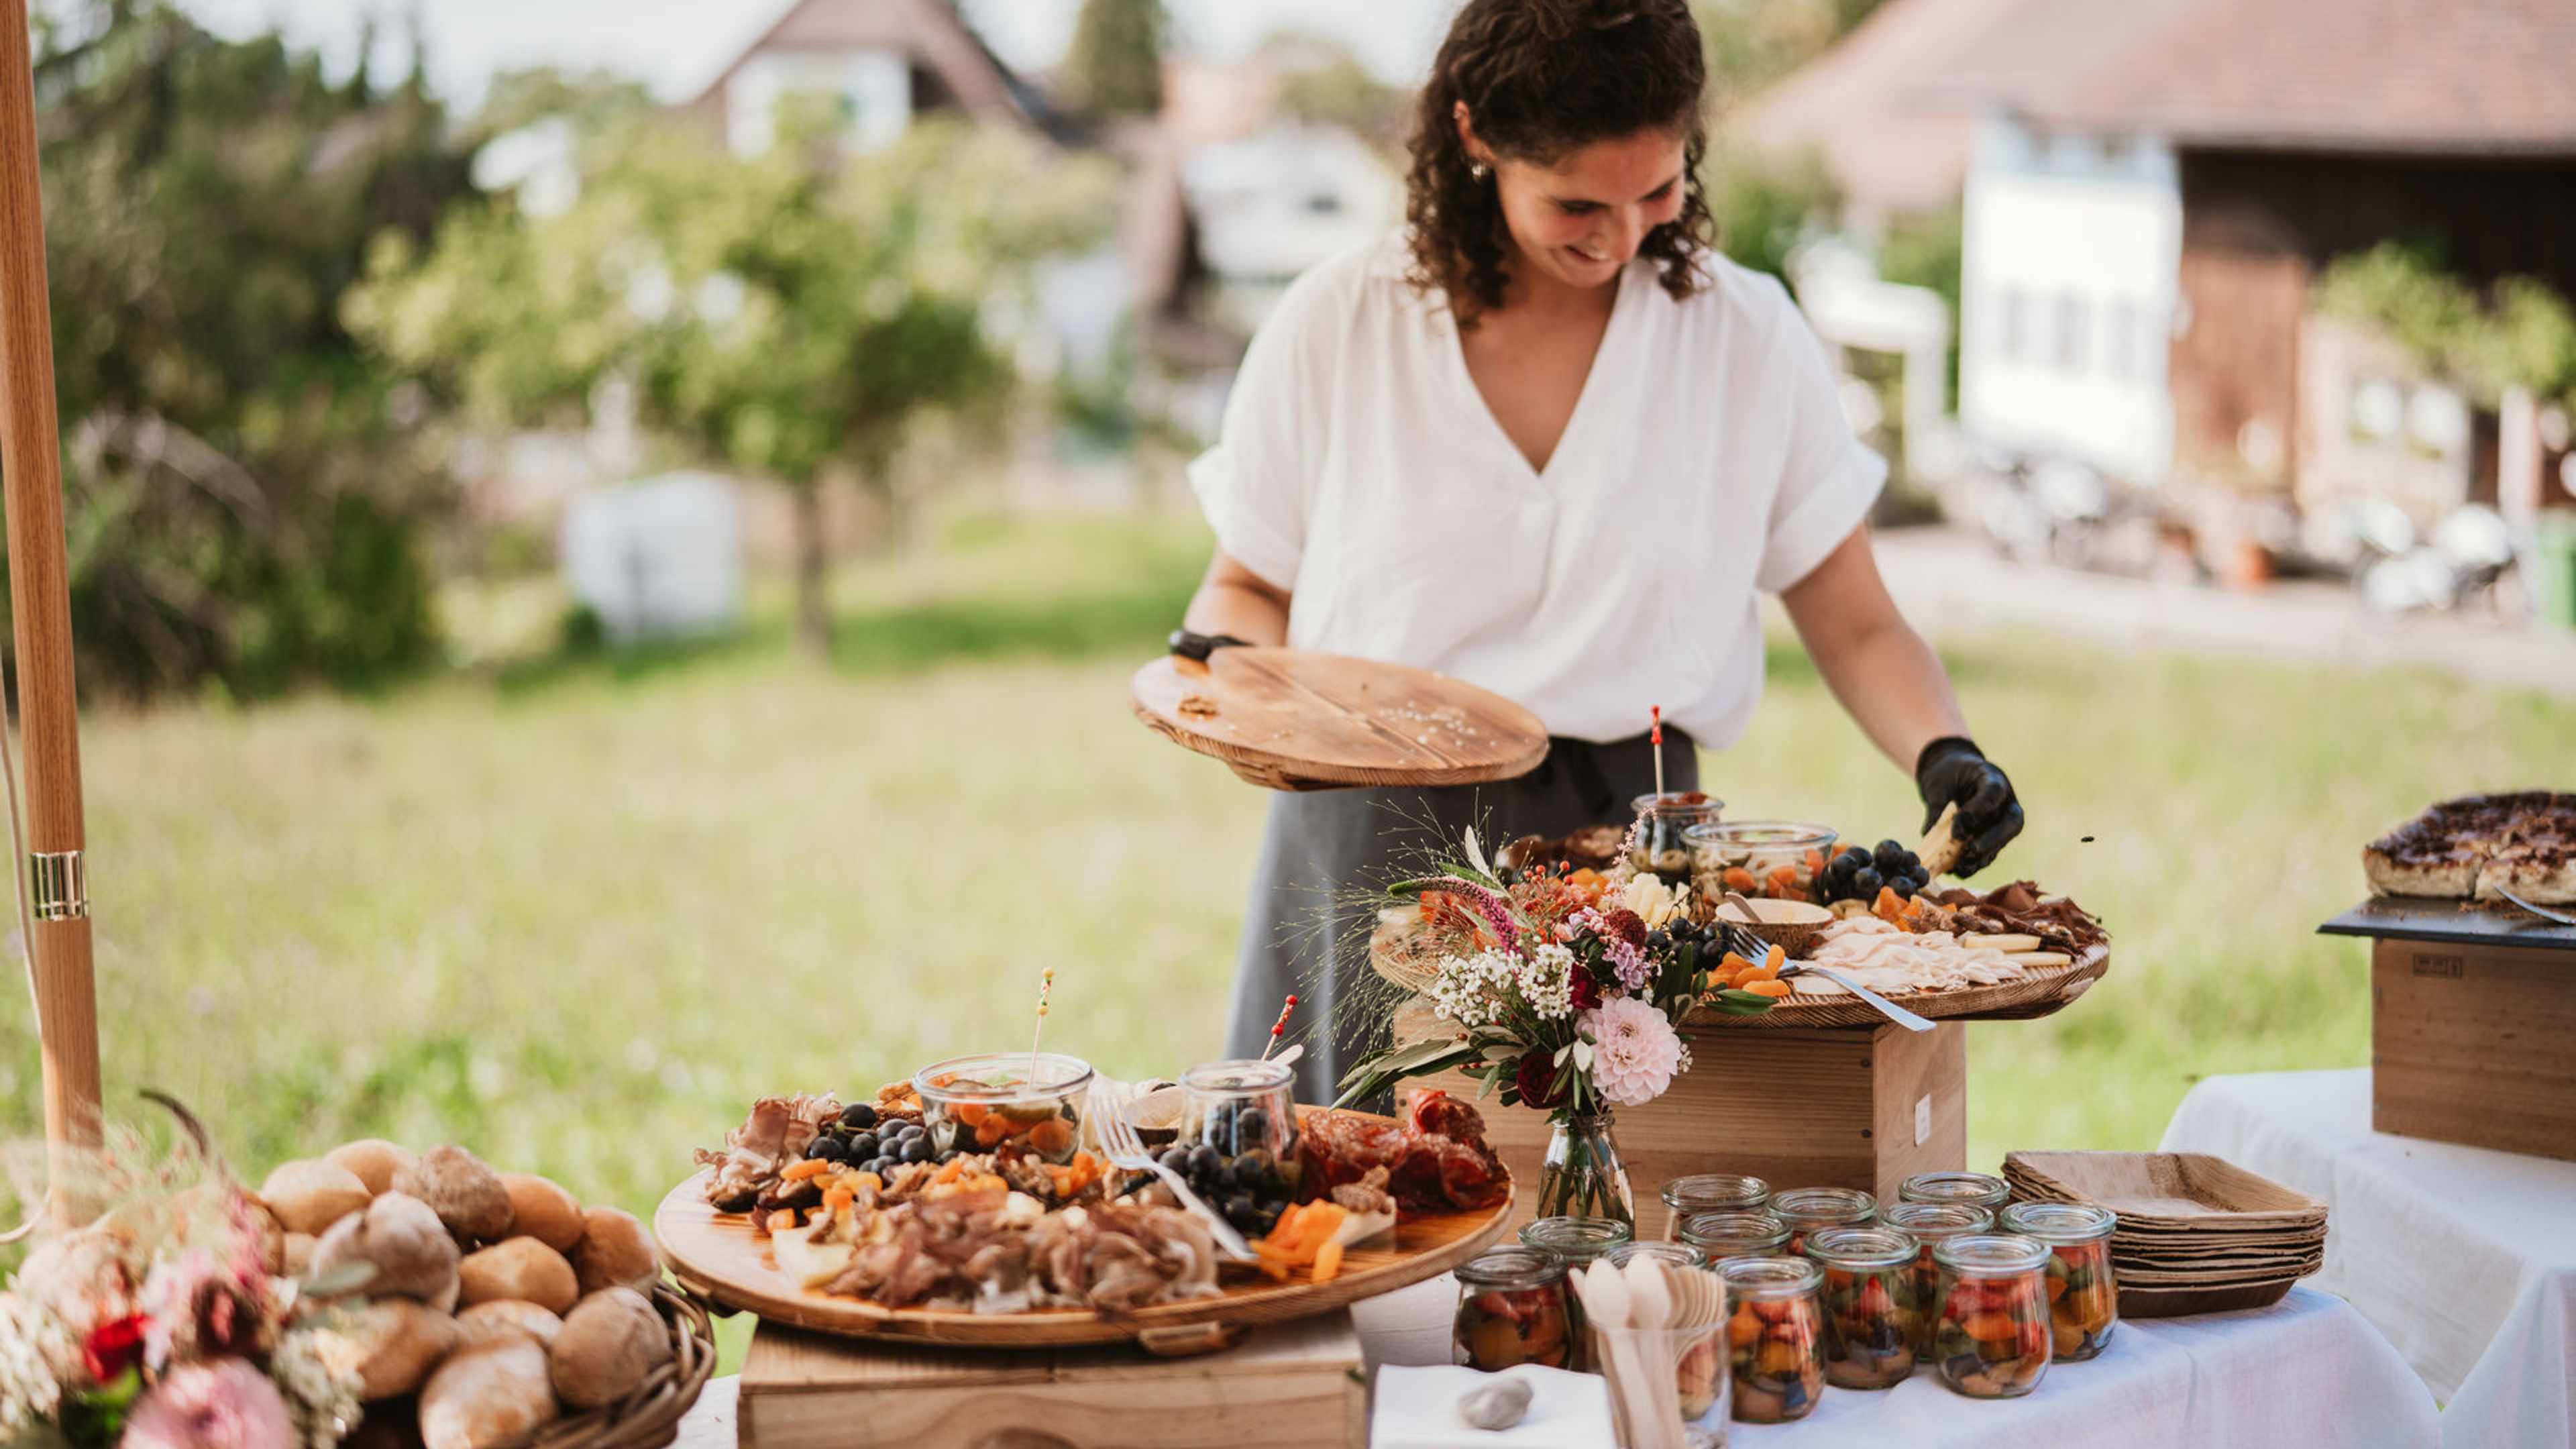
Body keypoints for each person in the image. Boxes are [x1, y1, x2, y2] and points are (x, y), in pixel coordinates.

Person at [1179, 0, 2021, 1106]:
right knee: (1370, 1210)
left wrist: (1943, 751)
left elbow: (1856, 617)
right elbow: (1244, 590)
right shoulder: (1340, 323)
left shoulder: (1745, 338)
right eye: (1576, 202)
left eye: (1658, 192)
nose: (1622, 238)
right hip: (1372, 844)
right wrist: (1231, 687)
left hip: (1637, 860)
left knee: (1610, 1229)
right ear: (1476, 136)